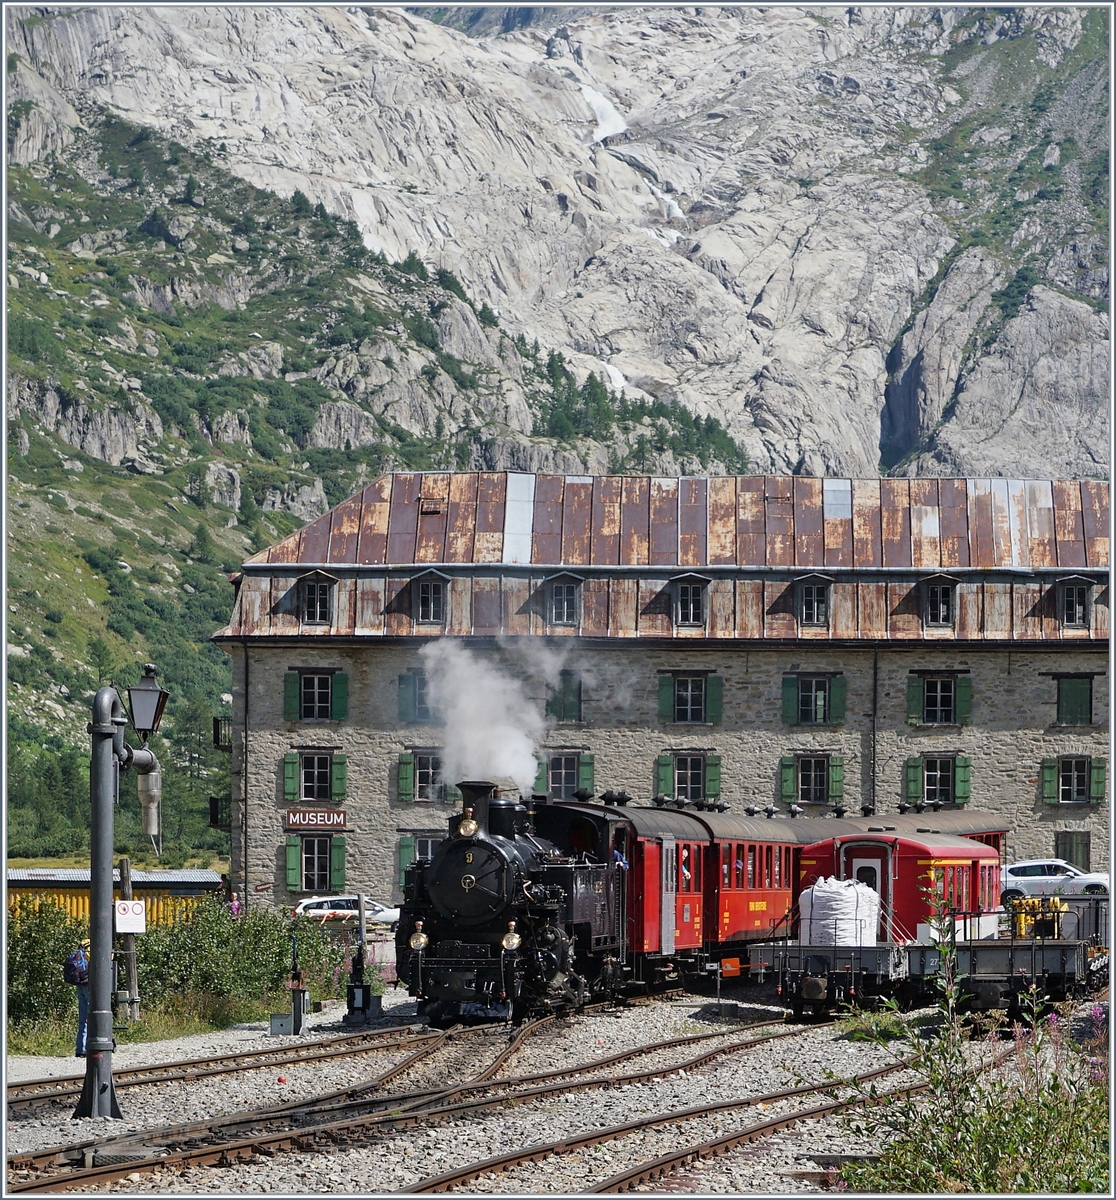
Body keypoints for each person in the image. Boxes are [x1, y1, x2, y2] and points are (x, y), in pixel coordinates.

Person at [64, 939, 91, 1057]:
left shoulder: (83, 947)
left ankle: (80, 1048)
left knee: (83, 1018)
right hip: (89, 985)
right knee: (92, 1016)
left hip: (80, 984)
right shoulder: (94, 947)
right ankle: (89, 1047)